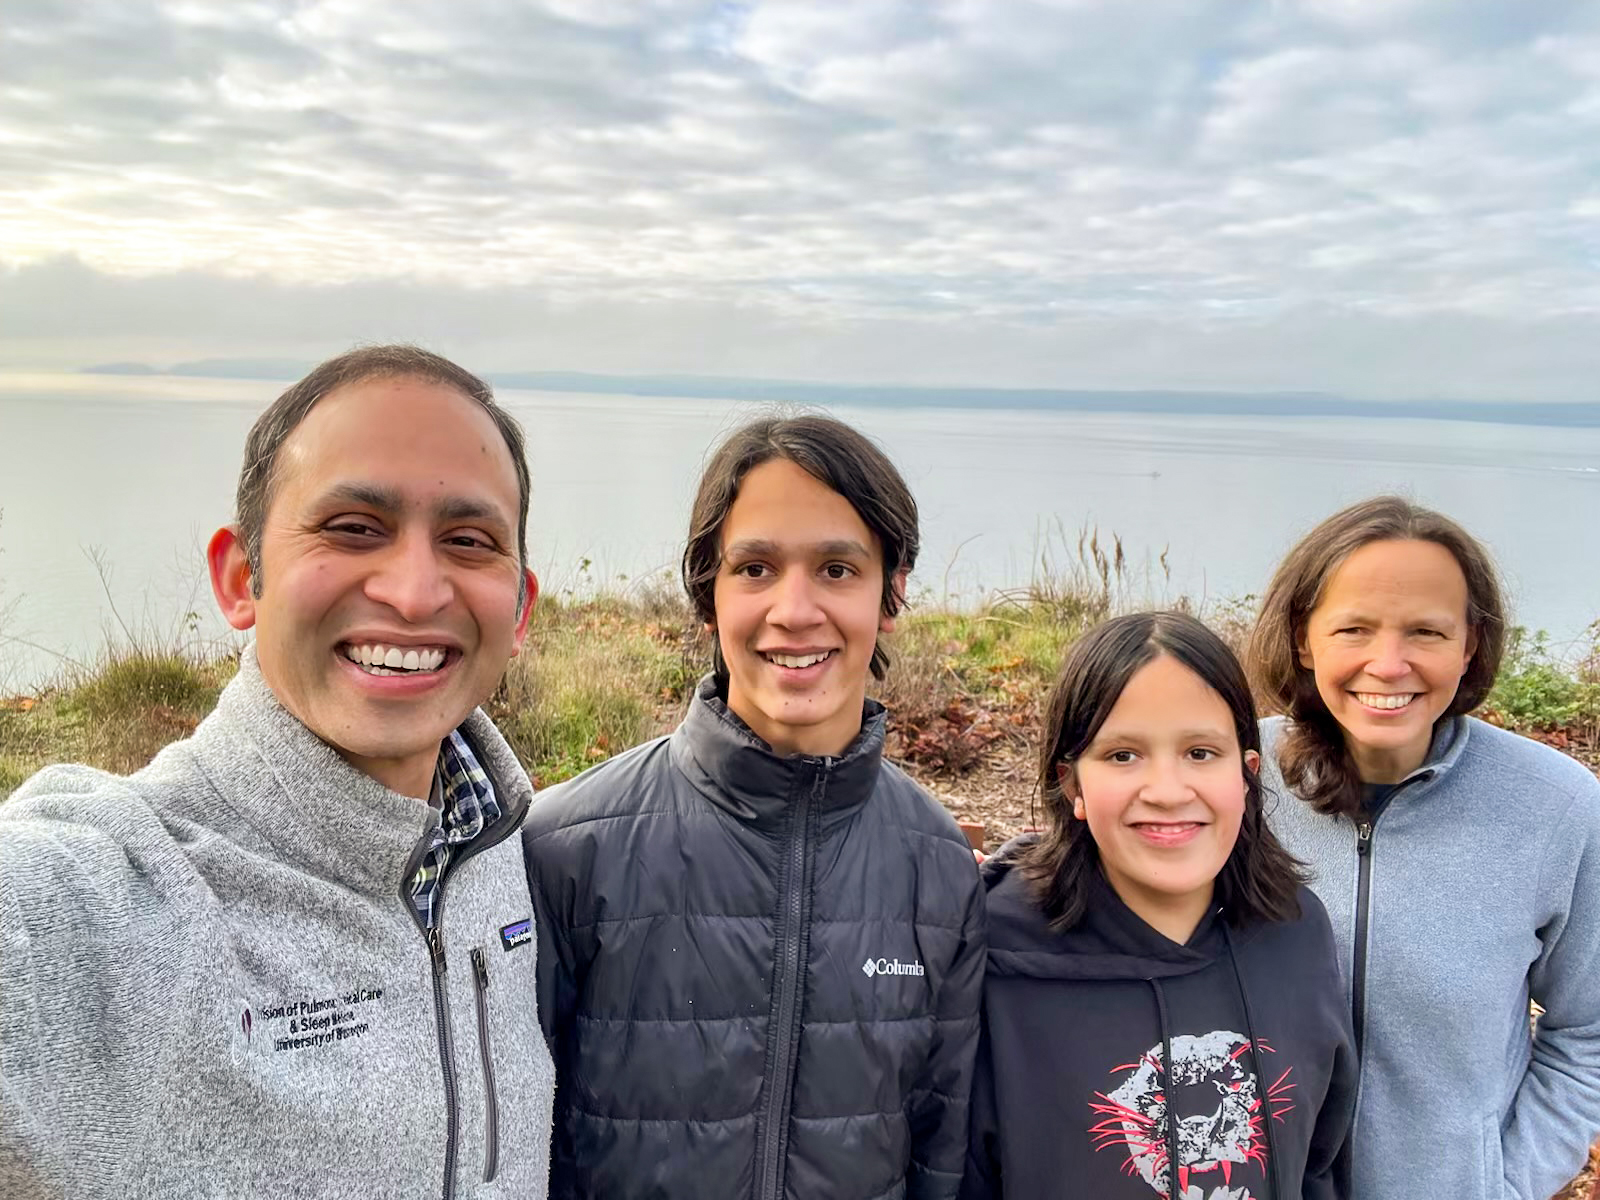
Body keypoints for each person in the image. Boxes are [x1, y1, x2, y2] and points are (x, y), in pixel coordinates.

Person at [0, 346, 555, 1198]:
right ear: (239, 578)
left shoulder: (504, 849)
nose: (413, 590)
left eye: (469, 541)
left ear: (518, 611)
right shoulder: (116, 894)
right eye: (353, 528)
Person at [523, 415, 986, 1199]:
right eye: (756, 569)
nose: (795, 610)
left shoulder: (938, 867)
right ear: (708, 594)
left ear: (892, 590)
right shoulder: (568, 848)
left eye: (838, 569)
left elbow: (941, 1152)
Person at [1247, 496, 1600, 1200]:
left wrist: (1504, 1184)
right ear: (1303, 638)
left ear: (1470, 644)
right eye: (1353, 627)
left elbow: (1586, 1036)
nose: (1389, 662)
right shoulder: (1233, 778)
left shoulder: (1558, 806)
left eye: (1426, 632)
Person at [964, 611, 1356, 1200]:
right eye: (1123, 755)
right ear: (1072, 785)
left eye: (1201, 752)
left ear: (1247, 775)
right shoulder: (991, 953)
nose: (1169, 792)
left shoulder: (1296, 934)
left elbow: (1318, 1163)